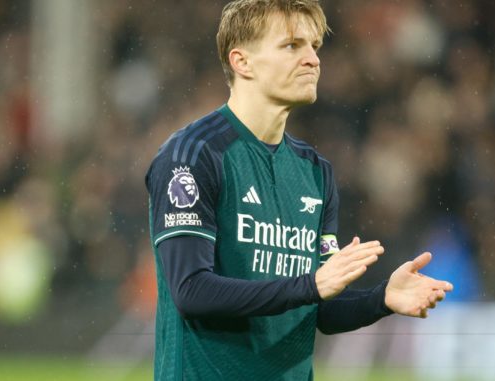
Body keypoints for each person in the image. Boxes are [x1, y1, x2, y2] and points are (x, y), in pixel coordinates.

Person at [144, 1, 453, 379]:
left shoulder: (314, 171)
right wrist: (310, 285)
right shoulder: (192, 155)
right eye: (292, 46)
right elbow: (191, 292)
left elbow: (319, 307)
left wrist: (381, 298)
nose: (312, 60)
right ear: (242, 62)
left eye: (315, 46)